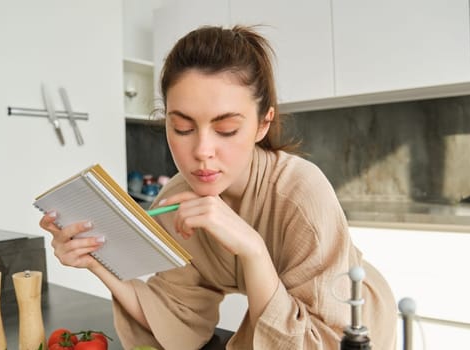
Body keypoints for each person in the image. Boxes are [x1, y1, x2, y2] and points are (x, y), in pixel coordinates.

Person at [40, 25, 397, 349]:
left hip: (346, 327)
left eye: (226, 129)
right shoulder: (175, 201)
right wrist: (97, 262)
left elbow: (315, 342)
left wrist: (254, 250)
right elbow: (177, 315)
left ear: (262, 124)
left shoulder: (301, 193)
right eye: (182, 128)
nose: (202, 152)